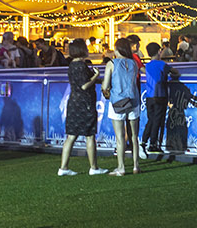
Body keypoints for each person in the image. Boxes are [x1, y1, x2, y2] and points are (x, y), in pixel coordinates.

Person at [58, 39, 108, 176]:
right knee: (90, 135)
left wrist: (98, 79)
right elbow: (85, 85)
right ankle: (94, 167)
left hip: (74, 102)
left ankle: (63, 167)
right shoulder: (81, 66)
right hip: (84, 103)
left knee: (71, 136)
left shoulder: (72, 65)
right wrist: (97, 76)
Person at [102, 38, 142, 175]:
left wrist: (106, 93)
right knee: (134, 136)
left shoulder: (111, 64)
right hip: (133, 101)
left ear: (117, 49)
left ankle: (121, 167)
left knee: (120, 137)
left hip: (117, 101)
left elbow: (105, 86)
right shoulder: (133, 63)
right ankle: (136, 166)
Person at [141, 42, 171, 154]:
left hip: (149, 96)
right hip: (160, 95)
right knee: (157, 120)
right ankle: (153, 144)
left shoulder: (147, 65)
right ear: (159, 51)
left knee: (151, 119)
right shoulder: (161, 64)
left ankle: (144, 141)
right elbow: (173, 71)